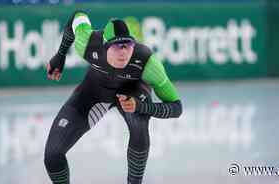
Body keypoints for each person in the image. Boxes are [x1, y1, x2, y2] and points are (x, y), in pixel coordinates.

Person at [44, 10, 183, 184]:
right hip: (95, 90)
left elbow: (177, 107)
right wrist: (60, 55)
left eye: (128, 45)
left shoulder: (148, 63)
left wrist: (142, 107)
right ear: (104, 46)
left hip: (133, 91)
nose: (123, 52)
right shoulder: (86, 42)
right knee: (52, 156)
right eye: (117, 46)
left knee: (139, 125)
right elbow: (77, 16)